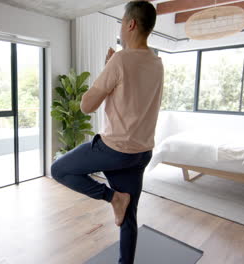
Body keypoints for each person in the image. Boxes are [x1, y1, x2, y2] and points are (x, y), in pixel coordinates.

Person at [50, 1, 163, 263]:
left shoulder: (120, 60)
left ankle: (112, 197)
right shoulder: (157, 63)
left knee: (59, 169)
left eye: (122, 22)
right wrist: (114, 67)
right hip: (142, 152)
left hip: (115, 149)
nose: (121, 28)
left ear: (131, 24)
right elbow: (133, 90)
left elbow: (86, 105)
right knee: (129, 217)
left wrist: (108, 67)